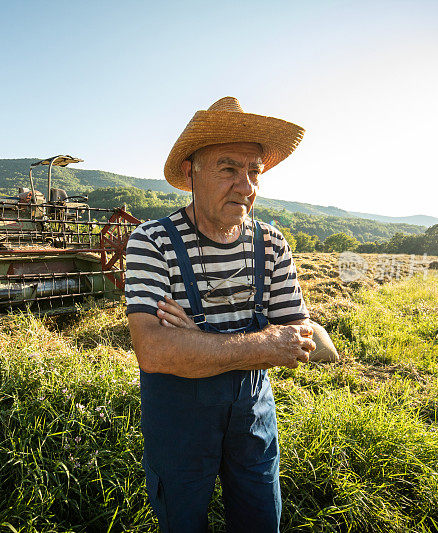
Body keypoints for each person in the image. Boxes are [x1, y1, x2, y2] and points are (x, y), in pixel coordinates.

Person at [125, 96, 324, 532]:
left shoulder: (270, 242)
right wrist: (266, 344)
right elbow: (156, 352)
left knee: (260, 520)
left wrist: (195, 339)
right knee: (182, 521)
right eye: (229, 169)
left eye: (254, 172)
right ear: (190, 171)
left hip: (253, 420)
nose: (246, 186)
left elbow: (298, 336)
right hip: (179, 426)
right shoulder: (152, 242)